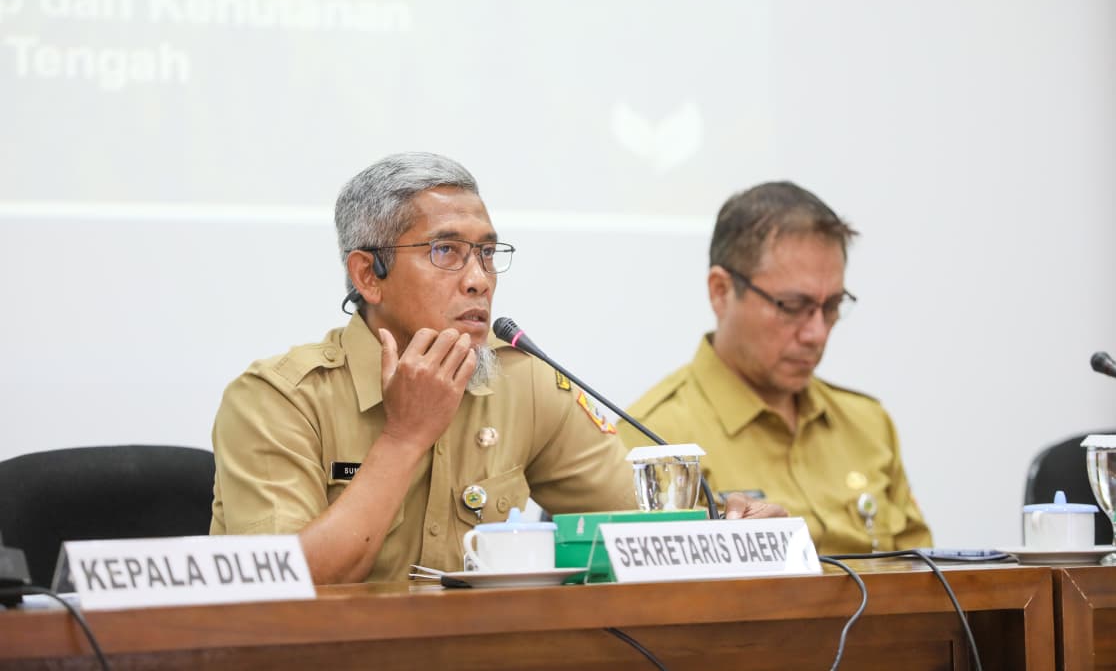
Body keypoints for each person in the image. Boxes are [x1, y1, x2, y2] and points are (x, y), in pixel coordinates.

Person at [210, 152, 784, 584]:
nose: (479, 278)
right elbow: (285, 587)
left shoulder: (522, 380)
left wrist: (724, 531)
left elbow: (636, 534)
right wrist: (406, 434)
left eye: (487, 252)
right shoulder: (276, 400)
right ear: (368, 275)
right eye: (445, 251)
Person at [620, 182, 931, 554]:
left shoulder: (869, 425)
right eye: (792, 306)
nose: (816, 333)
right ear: (721, 291)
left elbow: (931, 581)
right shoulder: (653, 439)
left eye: (831, 305)